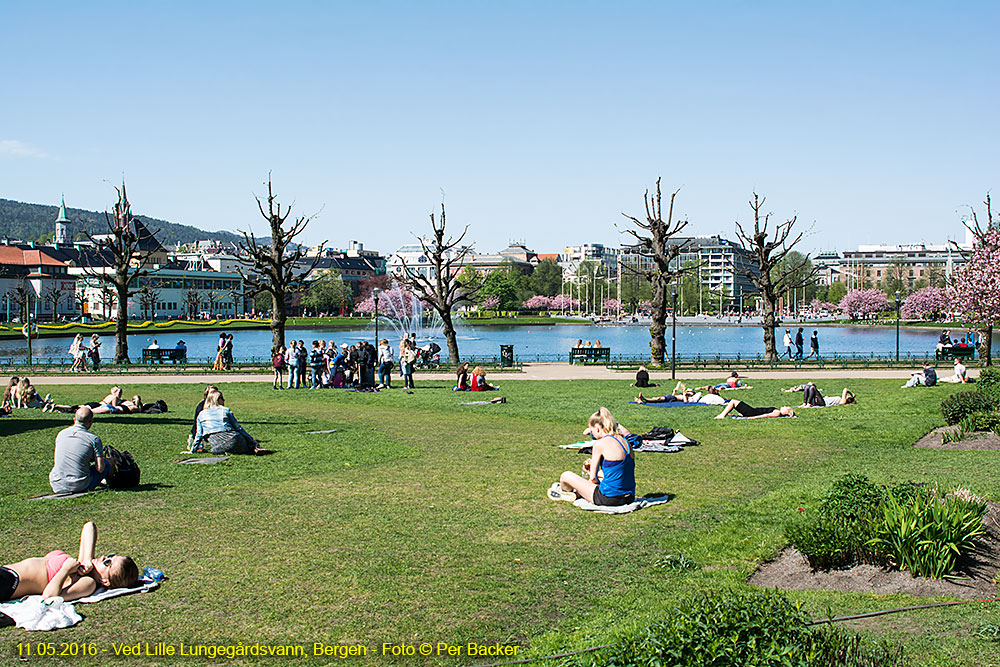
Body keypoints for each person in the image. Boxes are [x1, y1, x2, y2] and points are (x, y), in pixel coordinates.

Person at [1, 522, 139, 603]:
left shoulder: (88, 583)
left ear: (105, 581)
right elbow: (89, 526)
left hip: (9, 582)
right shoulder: (83, 565)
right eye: (110, 555)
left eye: (108, 563)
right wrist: (86, 560)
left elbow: (49, 597)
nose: (104, 557)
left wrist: (65, 570)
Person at [550, 408, 636, 506]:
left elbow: (593, 479)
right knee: (601, 474)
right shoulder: (626, 442)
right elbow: (620, 471)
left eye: (592, 430)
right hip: (629, 497)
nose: (592, 434)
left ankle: (566, 492)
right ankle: (577, 493)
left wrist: (591, 475)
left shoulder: (599, 444)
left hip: (609, 498)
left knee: (566, 476)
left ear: (597, 428)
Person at [49, 406, 112, 494]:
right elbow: (100, 468)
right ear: (90, 422)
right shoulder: (94, 439)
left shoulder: (61, 434)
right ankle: (111, 482)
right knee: (108, 463)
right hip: (80, 485)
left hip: (57, 483)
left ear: (74, 420)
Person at [191, 389, 270, 455]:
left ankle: (246, 449)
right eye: (222, 398)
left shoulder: (201, 414)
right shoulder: (225, 410)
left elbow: (199, 435)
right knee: (243, 443)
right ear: (218, 400)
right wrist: (251, 439)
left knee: (217, 450)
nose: (224, 400)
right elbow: (238, 428)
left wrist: (192, 450)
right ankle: (254, 447)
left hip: (215, 442)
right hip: (233, 438)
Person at [714, 400, 796, 419]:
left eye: (786, 407)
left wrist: (751, 418)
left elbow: (766, 415)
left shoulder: (777, 412)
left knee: (733, 402)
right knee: (733, 402)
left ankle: (722, 415)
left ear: (786, 412)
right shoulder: (777, 411)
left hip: (752, 412)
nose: (784, 406)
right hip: (753, 411)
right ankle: (723, 414)